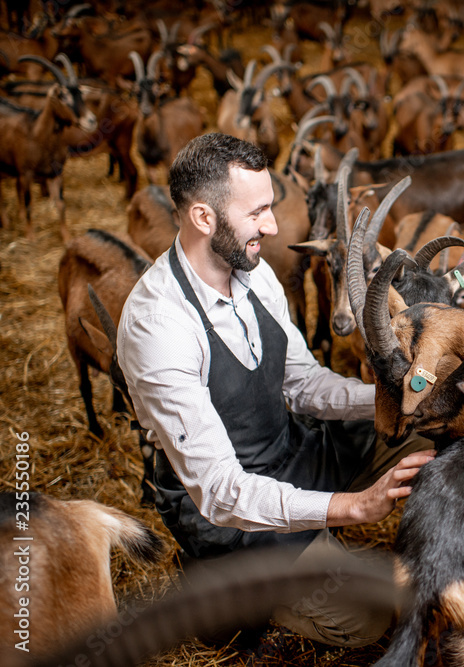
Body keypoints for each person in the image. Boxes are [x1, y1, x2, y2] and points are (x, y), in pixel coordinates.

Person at [117, 133, 435, 648]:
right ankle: (230, 589)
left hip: (288, 451)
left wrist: (398, 396)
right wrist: (349, 507)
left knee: (424, 440)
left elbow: (304, 384)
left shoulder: (255, 272)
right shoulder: (158, 325)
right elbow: (220, 490)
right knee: (370, 622)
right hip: (225, 515)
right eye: (258, 212)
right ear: (204, 218)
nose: (272, 225)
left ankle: (317, 538)